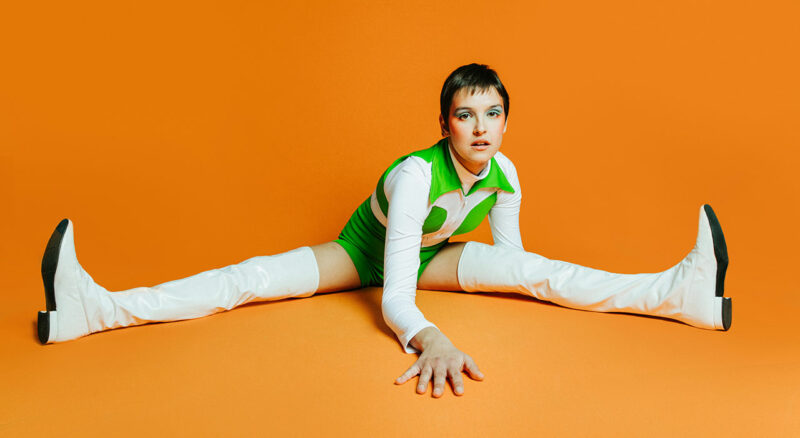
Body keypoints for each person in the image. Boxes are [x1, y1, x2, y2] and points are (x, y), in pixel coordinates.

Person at [36, 63, 732, 398]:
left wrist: (522, 288)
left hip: (437, 258)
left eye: (493, 114)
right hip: (359, 256)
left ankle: (681, 297)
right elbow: (394, 294)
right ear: (444, 124)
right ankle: (94, 310)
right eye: (465, 115)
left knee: (541, 271)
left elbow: (516, 266)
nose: (481, 128)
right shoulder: (416, 177)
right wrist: (433, 338)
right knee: (246, 280)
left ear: (506, 122)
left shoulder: (506, 174)